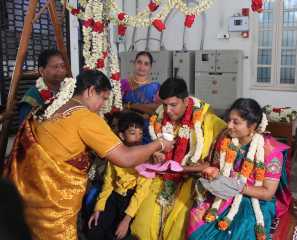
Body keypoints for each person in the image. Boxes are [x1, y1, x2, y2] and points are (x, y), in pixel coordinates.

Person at [4, 70, 173, 240]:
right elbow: (125, 158)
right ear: (91, 91)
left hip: (25, 196)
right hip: (52, 204)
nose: (102, 105)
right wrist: (159, 144)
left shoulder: (51, 104)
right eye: (103, 98)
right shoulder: (86, 118)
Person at [130, 77, 227, 240]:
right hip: (161, 178)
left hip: (191, 181)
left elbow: (229, 136)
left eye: (173, 105)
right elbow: (155, 147)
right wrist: (156, 155)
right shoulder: (160, 118)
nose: (168, 110)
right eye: (165, 105)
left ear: (186, 101)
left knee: (176, 231)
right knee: (143, 226)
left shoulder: (206, 120)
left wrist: (186, 168)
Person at [187, 98, 290, 240]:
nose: (229, 125)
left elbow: (267, 193)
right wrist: (213, 172)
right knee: (197, 222)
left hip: (254, 199)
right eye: (229, 120)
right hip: (222, 193)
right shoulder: (224, 137)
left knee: (242, 230)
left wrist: (236, 186)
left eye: (236, 122)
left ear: (252, 126)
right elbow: (216, 166)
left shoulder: (270, 152)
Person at [87, 111, 151, 240]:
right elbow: (108, 182)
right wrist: (98, 208)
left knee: (118, 234)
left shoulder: (145, 157)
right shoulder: (116, 155)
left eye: (140, 133)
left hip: (131, 201)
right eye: (132, 133)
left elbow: (141, 192)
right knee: (94, 229)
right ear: (122, 135)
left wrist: (127, 220)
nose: (137, 138)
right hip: (114, 196)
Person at [120, 51, 160, 143]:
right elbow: (117, 107)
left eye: (146, 64)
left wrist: (130, 105)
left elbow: (158, 110)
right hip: (127, 129)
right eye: (139, 62)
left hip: (148, 130)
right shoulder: (123, 84)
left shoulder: (155, 87)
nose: (142, 67)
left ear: (150, 67)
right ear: (134, 63)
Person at [19, 49, 67, 123]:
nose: (61, 70)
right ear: (42, 71)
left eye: (62, 66)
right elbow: (26, 128)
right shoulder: (32, 98)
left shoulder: (70, 90)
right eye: (55, 67)